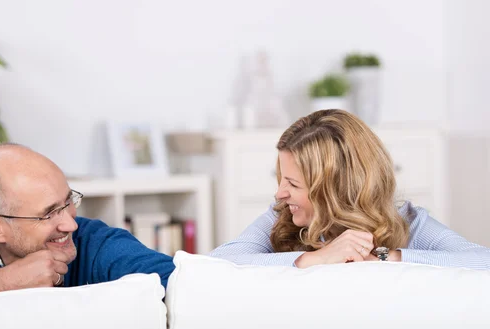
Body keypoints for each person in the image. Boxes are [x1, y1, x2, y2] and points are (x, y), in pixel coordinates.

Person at [210, 109, 490, 270]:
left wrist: (386, 257)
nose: (279, 193)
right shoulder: (280, 216)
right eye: (282, 178)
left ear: (336, 188)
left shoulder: (409, 221)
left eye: (293, 184)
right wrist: (318, 258)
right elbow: (218, 264)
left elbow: (482, 261)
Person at [0, 143, 175, 299]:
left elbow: (180, 283)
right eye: (49, 213)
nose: (70, 225)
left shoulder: (95, 243)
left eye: (68, 201)